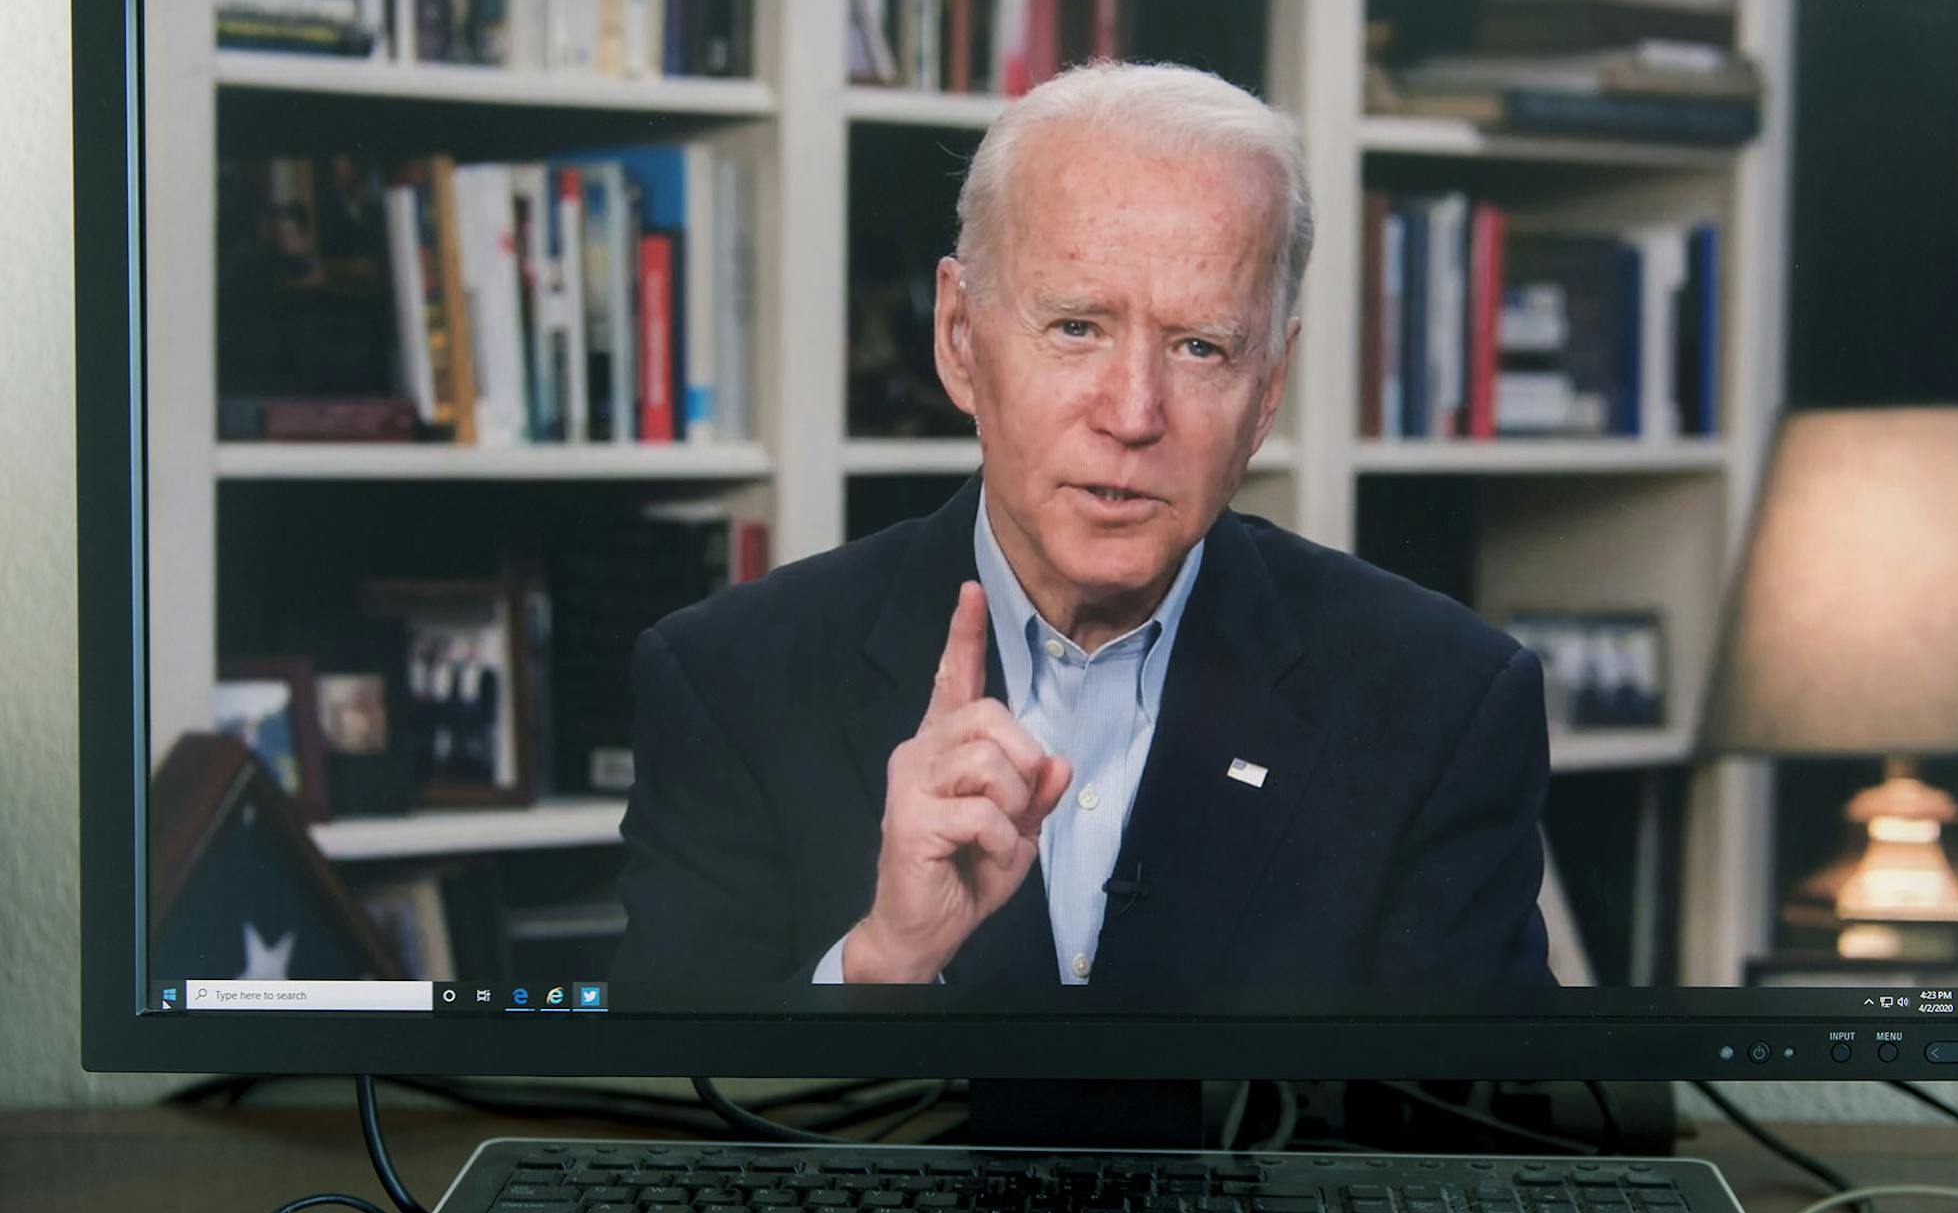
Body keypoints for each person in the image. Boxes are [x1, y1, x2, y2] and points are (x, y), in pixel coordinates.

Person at [613, 61, 1552, 991]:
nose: (1134, 412)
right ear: (958, 339)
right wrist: (883, 966)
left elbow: (1478, 1128)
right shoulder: (729, 682)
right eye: (1075, 328)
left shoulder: (1443, 705)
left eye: (1201, 347)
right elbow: (661, 1116)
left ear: (1267, 391)